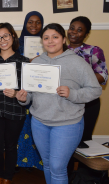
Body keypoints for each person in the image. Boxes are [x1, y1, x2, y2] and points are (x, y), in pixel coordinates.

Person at [16, 23, 102, 184]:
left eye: (55, 37)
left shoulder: (77, 62)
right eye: (46, 38)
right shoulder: (35, 63)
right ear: (42, 41)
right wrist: (23, 99)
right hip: (39, 122)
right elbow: (31, 95)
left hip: (67, 124)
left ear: (63, 39)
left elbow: (95, 90)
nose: (50, 41)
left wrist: (73, 93)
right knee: (47, 164)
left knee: (57, 167)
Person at [0, 23, 28, 184]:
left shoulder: (24, 62)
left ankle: (7, 175)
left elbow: (28, 91)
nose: (2, 40)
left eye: (6, 35)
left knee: (10, 145)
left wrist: (16, 94)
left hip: (15, 110)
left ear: (13, 37)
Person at [66, 16, 108, 178]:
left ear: (86, 34)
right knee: (68, 141)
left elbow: (103, 76)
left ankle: (84, 177)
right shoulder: (61, 50)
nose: (74, 32)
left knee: (84, 140)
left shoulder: (94, 51)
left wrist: (81, 80)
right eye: (72, 28)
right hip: (67, 102)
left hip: (89, 102)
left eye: (79, 30)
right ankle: (68, 176)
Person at [16, 11, 44, 171]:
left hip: (41, 93)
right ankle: (21, 161)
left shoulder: (48, 44)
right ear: (25, 24)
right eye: (30, 22)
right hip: (22, 91)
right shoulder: (17, 45)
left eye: (38, 22)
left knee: (39, 127)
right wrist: (28, 62)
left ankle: (39, 162)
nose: (34, 26)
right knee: (22, 127)